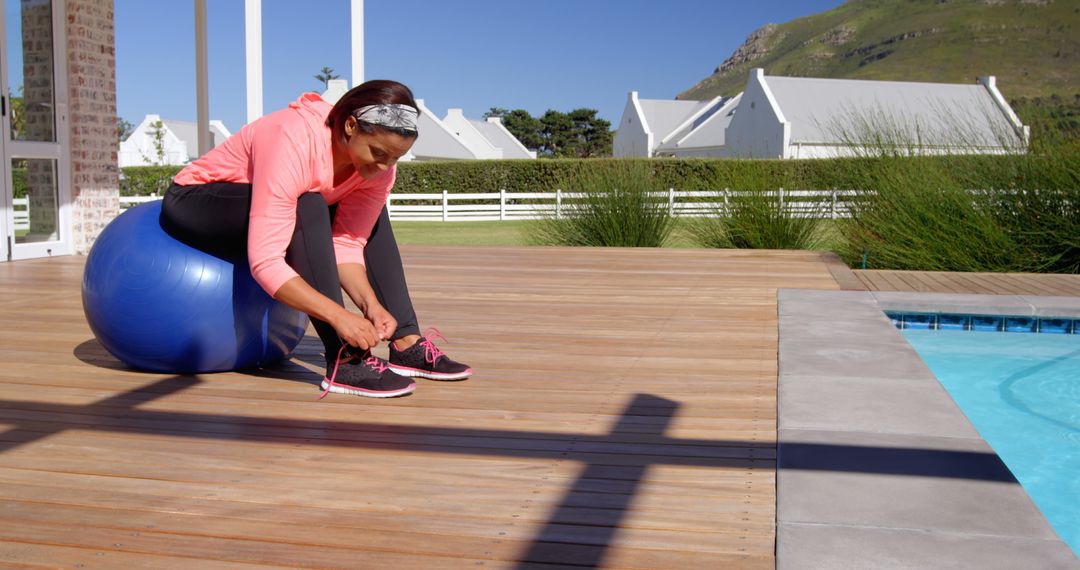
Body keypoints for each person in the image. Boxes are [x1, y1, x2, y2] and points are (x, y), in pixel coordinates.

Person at [160, 79, 471, 399]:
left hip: (279, 208)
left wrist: (370, 305)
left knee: (372, 213)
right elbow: (266, 262)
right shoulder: (292, 137)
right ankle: (345, 360)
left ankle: (406, 341)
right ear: (351, 125)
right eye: (378, 153)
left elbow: (347, 244)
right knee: (307, 204)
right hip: (197, 201)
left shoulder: (381, 169)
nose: (384, 166)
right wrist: (340, 317)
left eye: (395, 158)